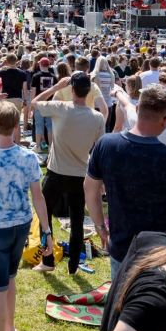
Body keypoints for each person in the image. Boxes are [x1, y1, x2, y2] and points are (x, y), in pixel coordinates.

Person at [85, 85, 166, 265]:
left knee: (121, 293)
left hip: (121, 248)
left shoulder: (106, 144)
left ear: (138, 108)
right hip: (161, 253)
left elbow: (90, 189)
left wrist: (100, 226)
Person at [0, 101, 52, 331]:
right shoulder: (28, 157)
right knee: (10, 278)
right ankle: (9, 330)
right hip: (21, 224)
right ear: (16, 125)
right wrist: (46, 231)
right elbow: (37, 197)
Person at [31, 71, 106, 276]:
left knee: (44, 216)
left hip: (56, 172)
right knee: (77, 221)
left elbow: (34, 102)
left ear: (71, 90)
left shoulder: (61, 108)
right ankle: (73, 265)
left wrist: (55, 88)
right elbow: (99, 150)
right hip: (80, 174)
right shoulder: (97, 117)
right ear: (89, 91)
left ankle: (48, 260)